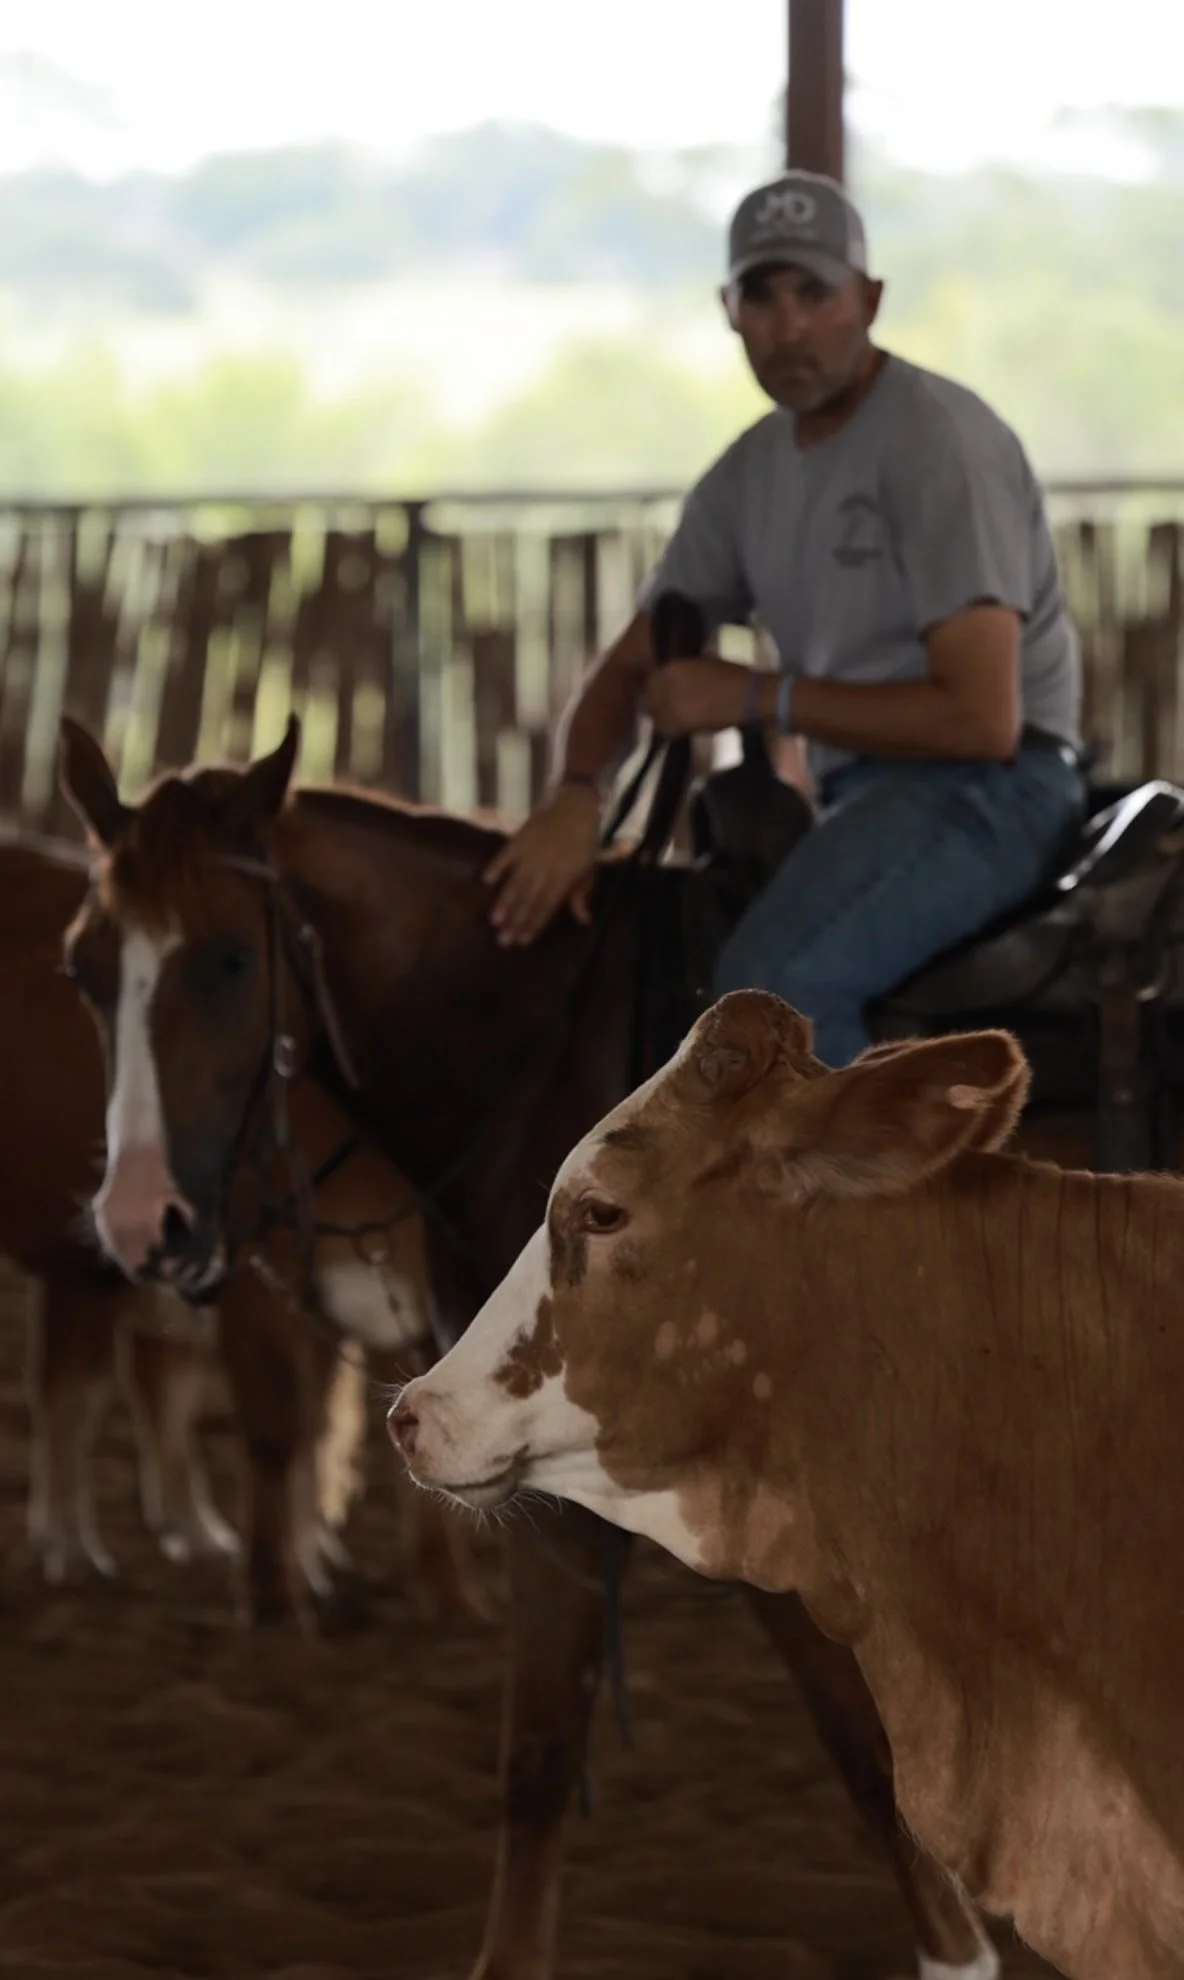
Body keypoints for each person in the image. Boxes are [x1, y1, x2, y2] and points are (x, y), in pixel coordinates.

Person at [483, 168, 1085, 1067]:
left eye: (816, 294)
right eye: (762, 297)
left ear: (868, 301)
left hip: (995, 790)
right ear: (729, 310)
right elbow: (635, 660)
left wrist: (760, 696)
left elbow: (982, 720)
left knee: (774, 991)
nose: (789, 325)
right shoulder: (747, 476)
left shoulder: (937, 442)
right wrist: (576, 793)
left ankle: (866, 1168)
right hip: (867, 795)